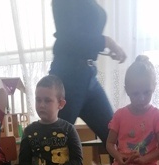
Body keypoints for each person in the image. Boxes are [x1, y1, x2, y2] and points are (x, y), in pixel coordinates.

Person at [49, 0, 126, 144]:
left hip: (88, 74)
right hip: (67, 76)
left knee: (116, 140)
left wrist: (99, 47)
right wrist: (107, 42)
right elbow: (68, 37)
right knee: (57, 144)